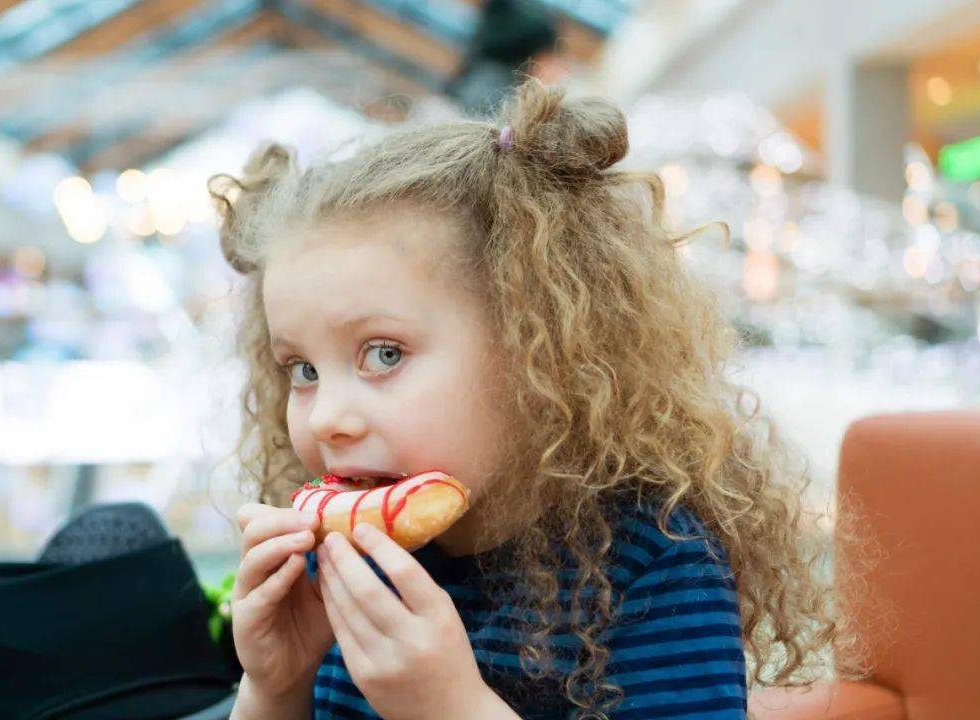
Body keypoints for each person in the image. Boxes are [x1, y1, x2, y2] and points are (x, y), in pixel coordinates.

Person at [209, 78, 865, 720]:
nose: (326, 419)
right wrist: (274, 689)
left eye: (383, 354)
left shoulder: (652, 560)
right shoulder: (347, 565)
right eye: (301, 369)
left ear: (536, 352)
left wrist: (450, 708)